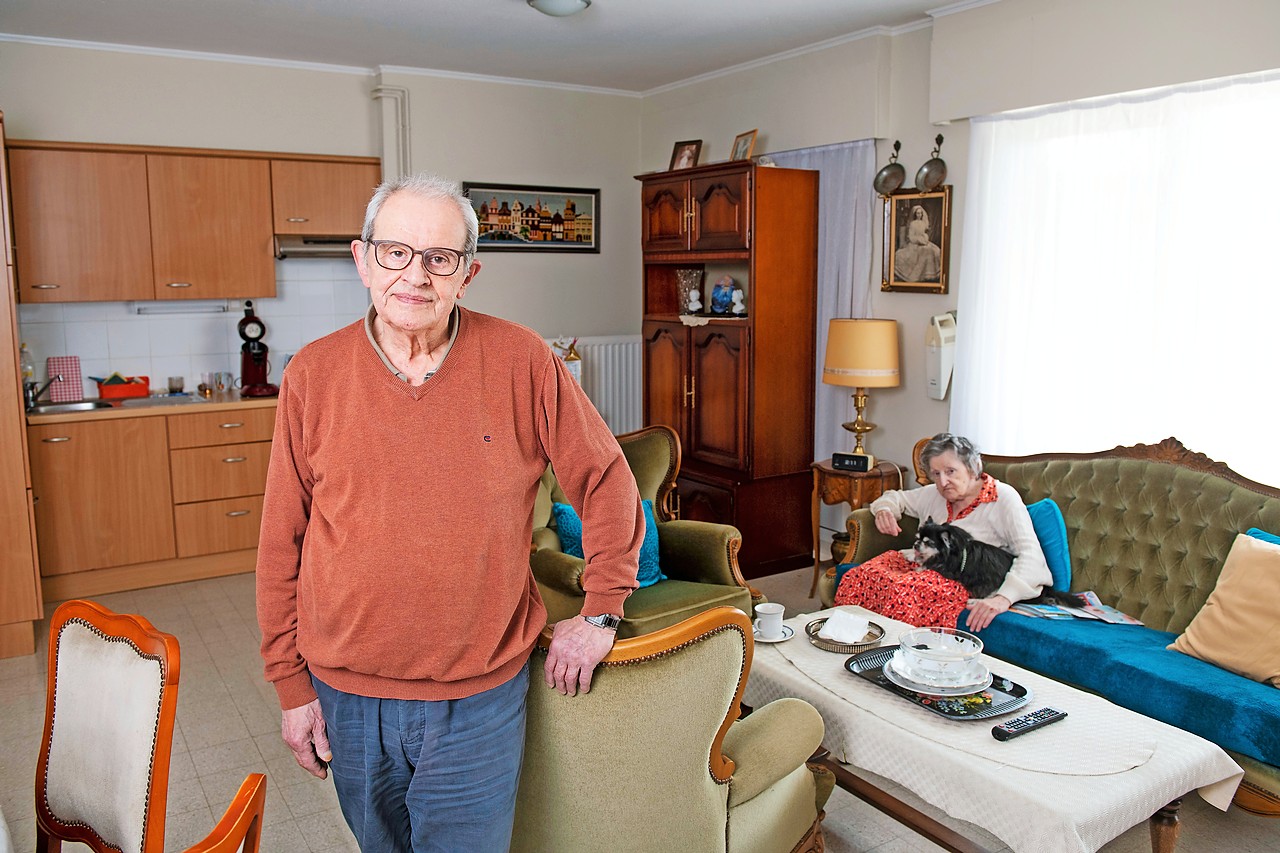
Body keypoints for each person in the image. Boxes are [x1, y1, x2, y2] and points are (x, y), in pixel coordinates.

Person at [256, 172, 644, 852]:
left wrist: (603, 605)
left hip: (479, 698)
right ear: (362, 258)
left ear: (467, 272)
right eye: (395, 251)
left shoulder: (523, 358)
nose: (416, 274)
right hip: (346, 692)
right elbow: (280, 541)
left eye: (440, 257)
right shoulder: (312, 375)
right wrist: (291, 685)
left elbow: (607, 477)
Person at [834, 433, 1050, 632]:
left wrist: (1003, 598)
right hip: (920, 566)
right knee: (861, 575)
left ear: (973, 467)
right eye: (936, 474)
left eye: (950, 472)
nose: (943, 482)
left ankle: (891, 657)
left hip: (963, 578)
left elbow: (1031, 555)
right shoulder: (934, 494)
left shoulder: (1003, 498)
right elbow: (895, 497)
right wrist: (883, 510)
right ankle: (845, 640)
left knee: (903, 591)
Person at [894, 204, 943, 282]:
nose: (919, 215)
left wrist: (924, 239)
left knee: (934, 251)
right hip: (914, 243)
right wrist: (918, 240)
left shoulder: (924, 223)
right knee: (920, 252)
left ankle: (928, 274)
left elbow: (924, 234)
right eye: (917, 213)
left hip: (923, 242)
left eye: (920, 213)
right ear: (915, 214)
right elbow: (911, 236)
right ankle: (916, 276)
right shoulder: (912, 224)